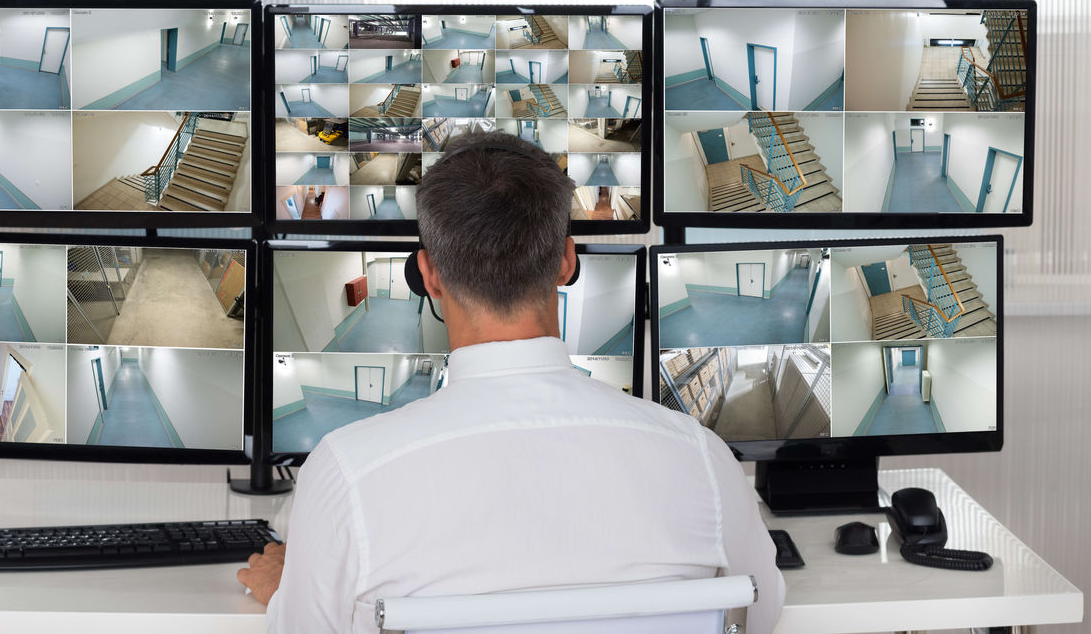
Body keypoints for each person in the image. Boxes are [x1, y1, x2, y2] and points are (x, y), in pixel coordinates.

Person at [239, 131, 784, 632]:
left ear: (427, 274)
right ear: (567, 261)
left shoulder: (344, 473)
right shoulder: (700, 457)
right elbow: (762, 607)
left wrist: (287, 589)